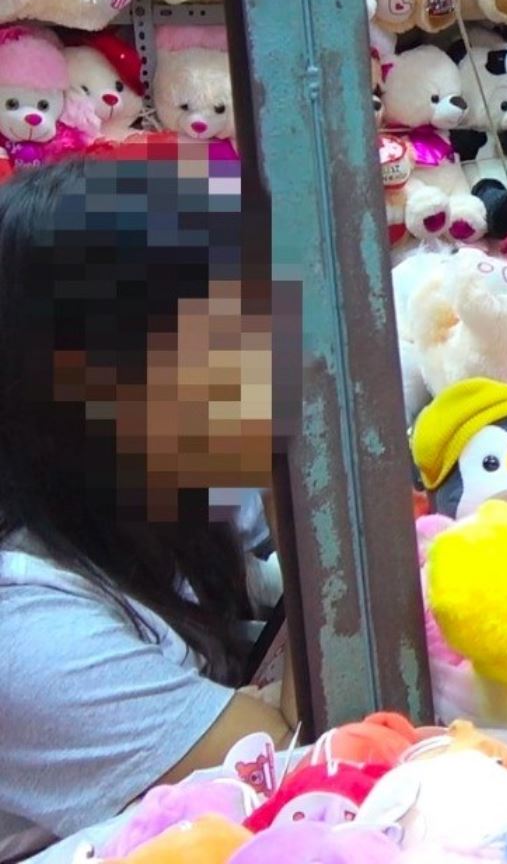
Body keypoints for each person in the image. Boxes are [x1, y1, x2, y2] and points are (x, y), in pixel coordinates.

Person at [0, 156, 293, 861]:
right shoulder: (26, 627)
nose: (266, 356)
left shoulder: (157, 503)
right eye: (217, 331)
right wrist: (294, 467)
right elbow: (279, 756)